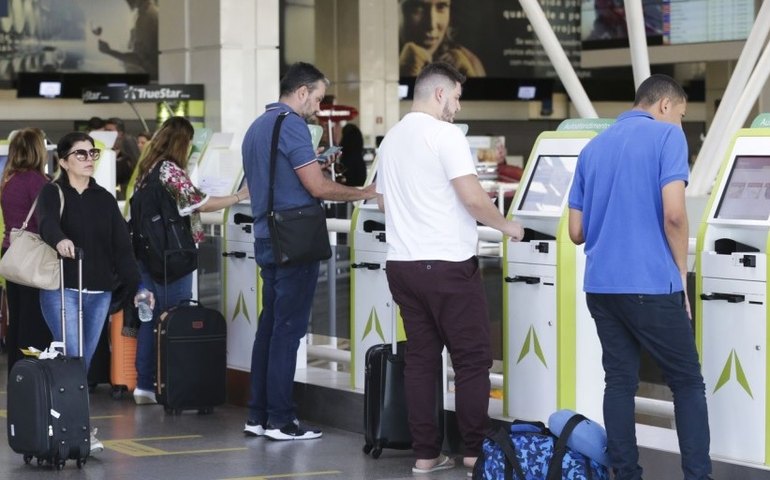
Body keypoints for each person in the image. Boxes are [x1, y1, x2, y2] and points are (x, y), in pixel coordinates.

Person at [375, 62, 523, 474]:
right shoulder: (446, 135)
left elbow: (384, 202)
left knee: (422, 360)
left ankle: (426, 455)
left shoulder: (391, 140)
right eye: (456, 96)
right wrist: (510, 226)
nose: (457, 106)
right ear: (440, 94)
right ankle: (474, 451)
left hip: (402, 265)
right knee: (472, 359)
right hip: (447, 265)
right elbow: (474, 200)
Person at [567, 74, 712, 480]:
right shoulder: (668, 139)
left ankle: (626, 474)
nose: (680, 124)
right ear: (664, 106)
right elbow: (675, 215)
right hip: (650, 285)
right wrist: (680, 277)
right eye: (681, 115)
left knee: (618, 382)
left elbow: (576, 232)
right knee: (686, 383)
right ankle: (698, 476)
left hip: (601, 287)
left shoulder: (592, 149)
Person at [241, 61, 376, 441]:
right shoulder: (294, 126)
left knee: (269, 327)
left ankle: (258, 414)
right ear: (301, 92)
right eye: (316, 98)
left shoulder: (257, 127)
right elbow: (317, 189)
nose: (317, 107)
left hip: (267, 236)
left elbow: (273, 179)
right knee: (288, 330)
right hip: (295, 240)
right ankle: (282, 420)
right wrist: (364, 192)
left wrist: (313, 162)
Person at [36, 131, 143, 453]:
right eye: (80, 154)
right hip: (62, 289)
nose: (88, 159)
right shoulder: (52, 192)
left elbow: (122, 247)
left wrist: (137, 286)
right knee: (72, 359)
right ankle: (72, 427)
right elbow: (47, 225)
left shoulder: (104, 198)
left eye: (92, 153)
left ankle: (68, 425)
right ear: (64, 161)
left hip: (98, 292)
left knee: (81, 363)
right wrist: (60, 241)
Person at [131, 116, 248, 406]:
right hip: (172, 258)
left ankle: (145, 385)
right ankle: (175, 384)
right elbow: (198, 203)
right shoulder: (170, 169)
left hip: (147, 256)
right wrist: (239, 195)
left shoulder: (146, 170)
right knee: (175, 318)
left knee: (150, 321)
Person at [0, 128, 52, 373]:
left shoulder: (8, 180)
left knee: (18, 317)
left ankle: (17, 370)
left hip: (11, 253)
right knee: (35, 318)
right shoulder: (38, 182)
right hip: (34, 256)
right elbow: (47, 222)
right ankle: (33, 370)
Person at [399, 0, 485, 77]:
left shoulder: (470, 61)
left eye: (441, 6)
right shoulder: (386, 61)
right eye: (417, 7)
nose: (431, 25)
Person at [98, 0, 159, 80]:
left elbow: (140, 59)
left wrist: (109, 51)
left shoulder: (148, 17)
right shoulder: (144, 14)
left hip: (151, 81)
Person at [104, 117, 141, 199]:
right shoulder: (106, 150)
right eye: (105, 130)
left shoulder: (128, 146)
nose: (106, 133)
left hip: (125, 193)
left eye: (110, 131)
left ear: (120, 133)